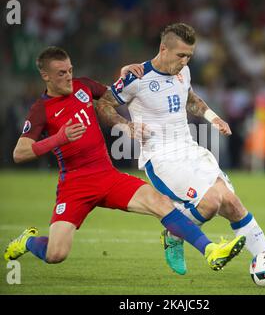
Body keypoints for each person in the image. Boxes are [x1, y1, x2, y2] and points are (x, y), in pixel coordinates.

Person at [4, 46, 246, 273]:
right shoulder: (40, 110)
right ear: (45, 76)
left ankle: (211, 251)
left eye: (70, 70)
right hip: (74, 185)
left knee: (161, 203)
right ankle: (28, 241)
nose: (68, 77)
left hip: (107, 177)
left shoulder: (83, 87)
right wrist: (59, 138)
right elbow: (20, 153)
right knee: (56, 254)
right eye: (61, 73)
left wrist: (125, 75)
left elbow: (116, 95)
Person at [98, 23, 265, 287]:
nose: (185, 61)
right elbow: (103, 103)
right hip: (161, 158)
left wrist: (213, 118)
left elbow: (191, 99)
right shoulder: (136, 77)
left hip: (190, 149)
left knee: (231, 202)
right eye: (180, 55)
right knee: (209, 202)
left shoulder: (184, 71)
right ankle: (174, 235)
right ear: (164, 48)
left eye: (189, 56)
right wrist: (124, 125)